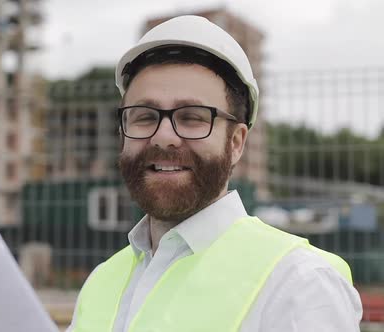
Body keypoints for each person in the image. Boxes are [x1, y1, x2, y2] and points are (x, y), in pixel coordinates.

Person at [66, 15, 363, 332]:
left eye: (192, 117)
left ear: (236, 143)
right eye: (144, 116)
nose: (163, 136)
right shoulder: (100, 282)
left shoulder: (299, 283)